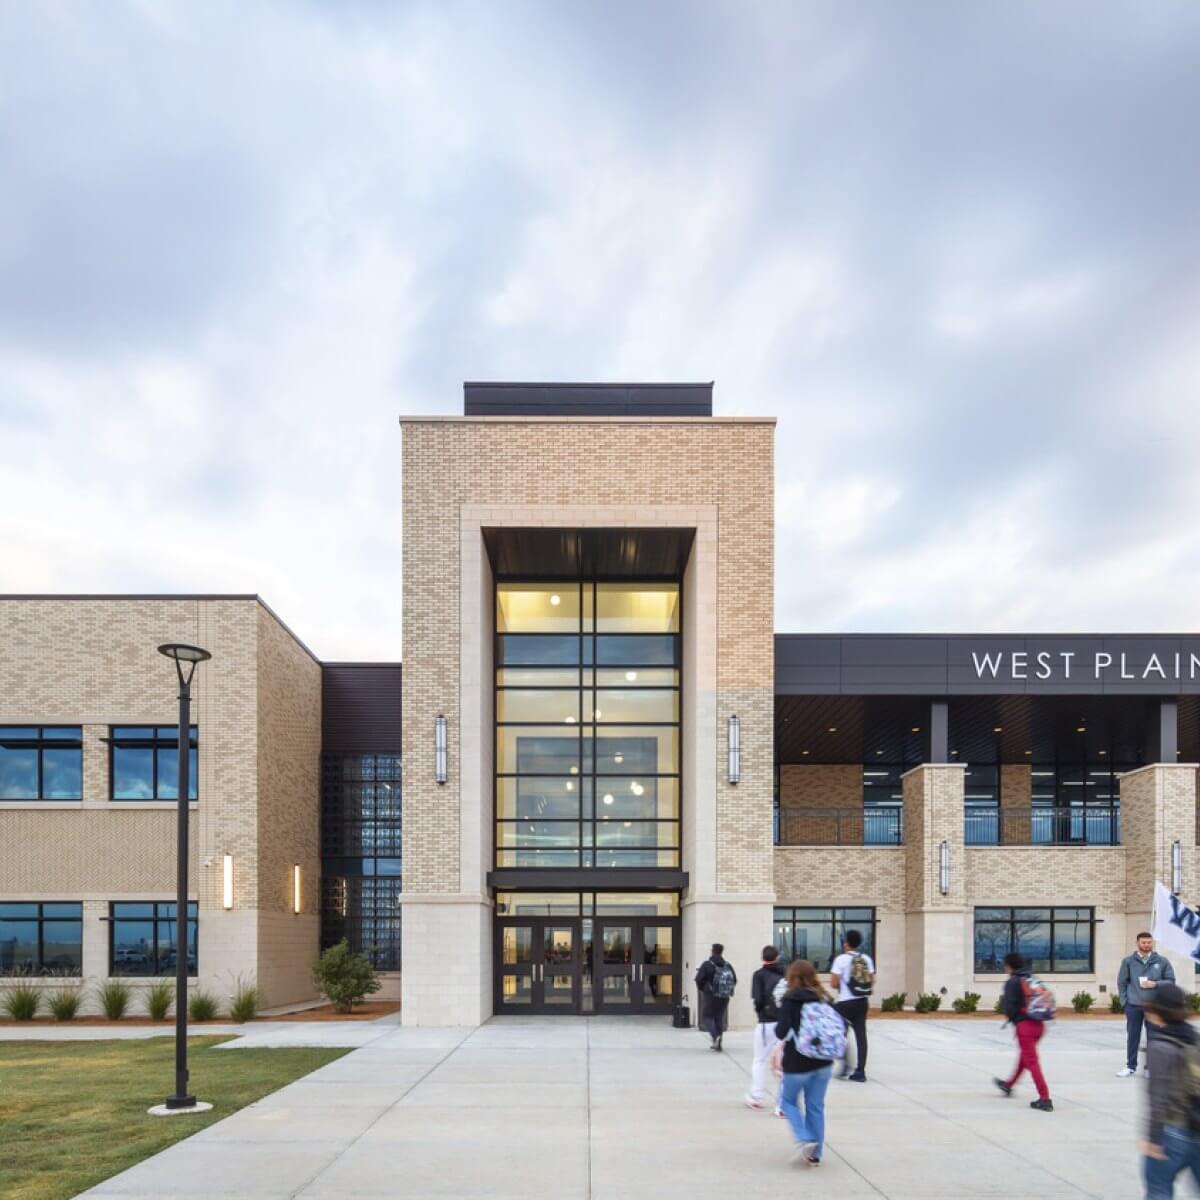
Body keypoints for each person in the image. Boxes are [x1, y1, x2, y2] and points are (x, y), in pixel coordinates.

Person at [772, 958, 840, 1166]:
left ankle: (805, 1137)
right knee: (815, 1106)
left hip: (798, 1062)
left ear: (792, 977)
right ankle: (815, 1153)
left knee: (787, 1101)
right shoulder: (825, 998)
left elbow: (781, 1031)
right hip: (824, 1061)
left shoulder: (791, 999)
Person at [1141, 982, 1200, 1198]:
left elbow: (1157, 1099)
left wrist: (1153, 1139)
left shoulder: (1160, 1047)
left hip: (1172, 1132)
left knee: (1158, 1189)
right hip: (1197, 1128)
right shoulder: (1194, 1038)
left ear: (1157, 1010)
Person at [993, 951, 1053, 1111]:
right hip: (1039, 1025)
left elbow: (1009, 1007)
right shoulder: (1030, 977)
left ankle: (1045, 1098)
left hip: (1025, 1026)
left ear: (1009, 965)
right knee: (1025, 1058)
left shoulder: (1012, 982)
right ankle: (1008, 1085)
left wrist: (1015, 1019)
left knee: (1031, 1061)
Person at [1119, 932, 1177, 1078]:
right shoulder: (1128, 961)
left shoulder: (1162, 961)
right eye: (1144, 942)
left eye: (1149, 942)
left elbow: (1171, 981)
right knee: (1133, 1037)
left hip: (1154, 1007)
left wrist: (1155, 984)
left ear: (1152, 943)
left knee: (1153, 1038)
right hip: (1133, 1006)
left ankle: (1149, 1068)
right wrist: (1125, 1003)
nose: (1147, 945)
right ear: (1137, 943)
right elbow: (1122, 983)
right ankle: (1130, 1066)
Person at [745, 944, 786, 1113]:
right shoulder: (786, 974)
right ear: (777, 957)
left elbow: (758, 999)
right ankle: (784, 1104)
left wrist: (761, 1012)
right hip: (785, 1022)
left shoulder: (759, 975)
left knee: (760, 1059)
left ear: (763, 957)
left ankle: (757, 1096)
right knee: (784, 1064)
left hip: (766, 1022)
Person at [830, 929, 874, 1082]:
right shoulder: (866, 959)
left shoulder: (840, 960)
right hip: (862, 1002)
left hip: (845, 1002)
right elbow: (872, 981)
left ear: (846, 943)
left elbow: (834, 983)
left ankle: (845, 1065)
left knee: (838, 1033)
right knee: (861, 1036)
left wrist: (842, 985)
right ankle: (860, 1072)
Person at [694, 943, 736, 1051]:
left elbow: (699, 979)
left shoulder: (707, 964)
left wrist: (704, 989)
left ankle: (715, 1036)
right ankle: (718, 1044)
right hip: (724, 996)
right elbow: (734, 980)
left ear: (712, 951)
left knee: (706, 1017)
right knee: (719, 1018)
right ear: (722, 952)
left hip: (711, 995)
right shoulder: (727, 965)